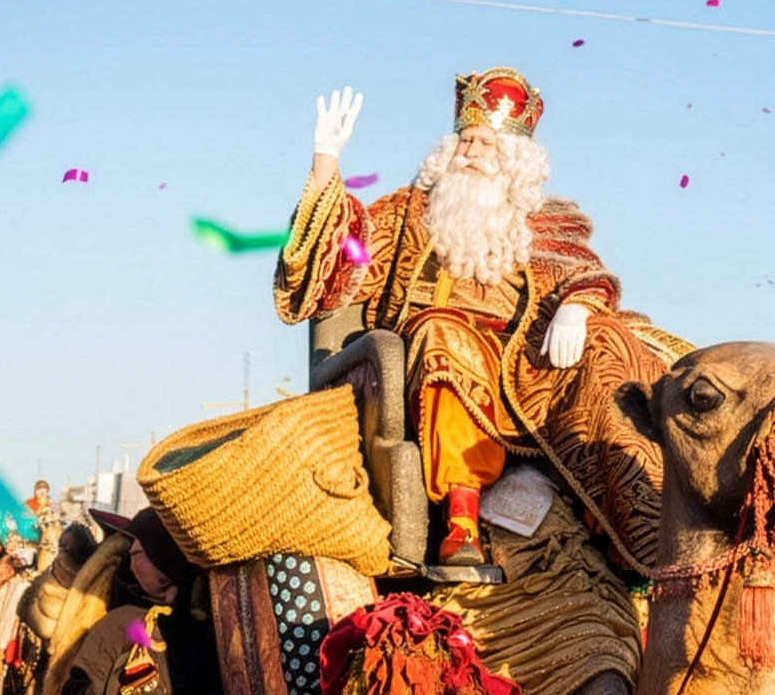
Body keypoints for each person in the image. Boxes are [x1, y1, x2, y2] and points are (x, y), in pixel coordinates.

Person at [275, 73, 685, 567]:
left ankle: (641, 530)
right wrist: (326, 161)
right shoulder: (408, 213)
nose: (469, 151)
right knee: (441, 330)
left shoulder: (548, 221)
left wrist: (576, 309)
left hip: (530, 370)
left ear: (512, 158)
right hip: (435, 361)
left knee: (612, 348)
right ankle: (461, 521)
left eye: (484, 142)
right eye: (464, 140)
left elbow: (585, 272)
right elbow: (343, 257)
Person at [61, 507, 232, 695]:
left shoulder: (218, 626)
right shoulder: (120, 625)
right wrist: (117, 689)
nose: (130, 560)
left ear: (163, 558)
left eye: (138, 552)